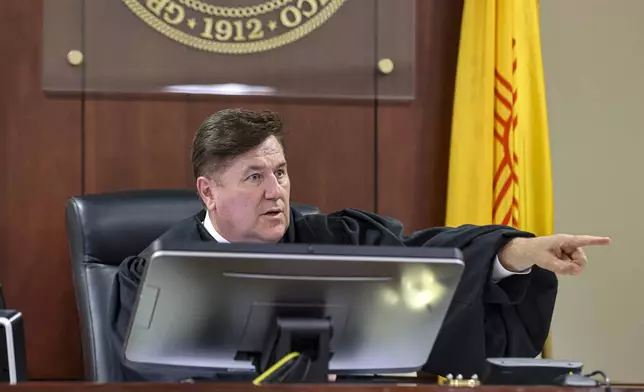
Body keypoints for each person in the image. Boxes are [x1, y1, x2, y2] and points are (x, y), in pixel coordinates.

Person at [108, 108, 610, 382]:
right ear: (207, 192)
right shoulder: (158, 272)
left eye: (280, 172)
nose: (276, 191)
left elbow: (424, 260)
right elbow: (158, 372)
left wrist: (515, 255)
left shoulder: (333, 242)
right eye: (254, 177)